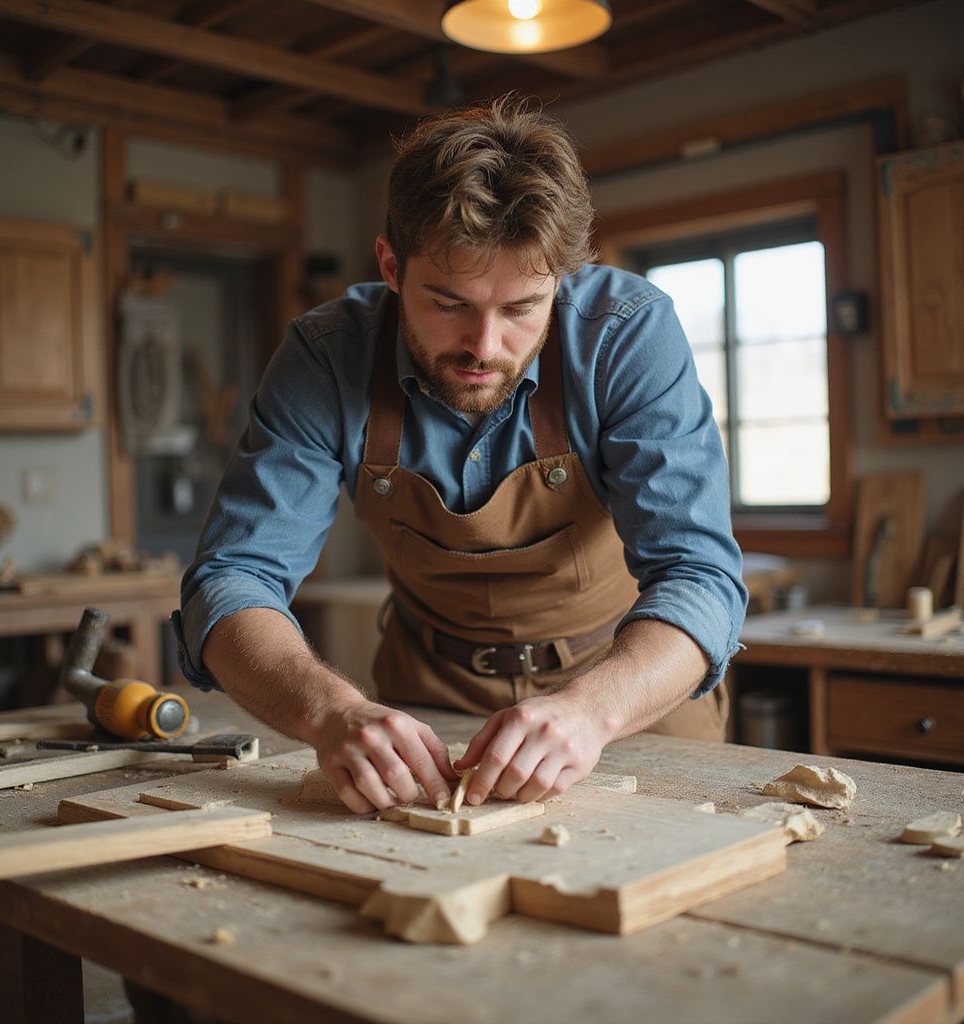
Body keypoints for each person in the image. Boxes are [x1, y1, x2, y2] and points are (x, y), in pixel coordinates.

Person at [174, 96, 747, 815]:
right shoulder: (327, 357)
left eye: (521, 309)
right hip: (426, 706)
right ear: (390, 264)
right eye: (448, 303)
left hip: (627, 697)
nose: (484, 347)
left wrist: (588, 714)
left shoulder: (627, 334)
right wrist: (330, 713)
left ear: (562, 279)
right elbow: (232, 579)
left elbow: (699, 575)